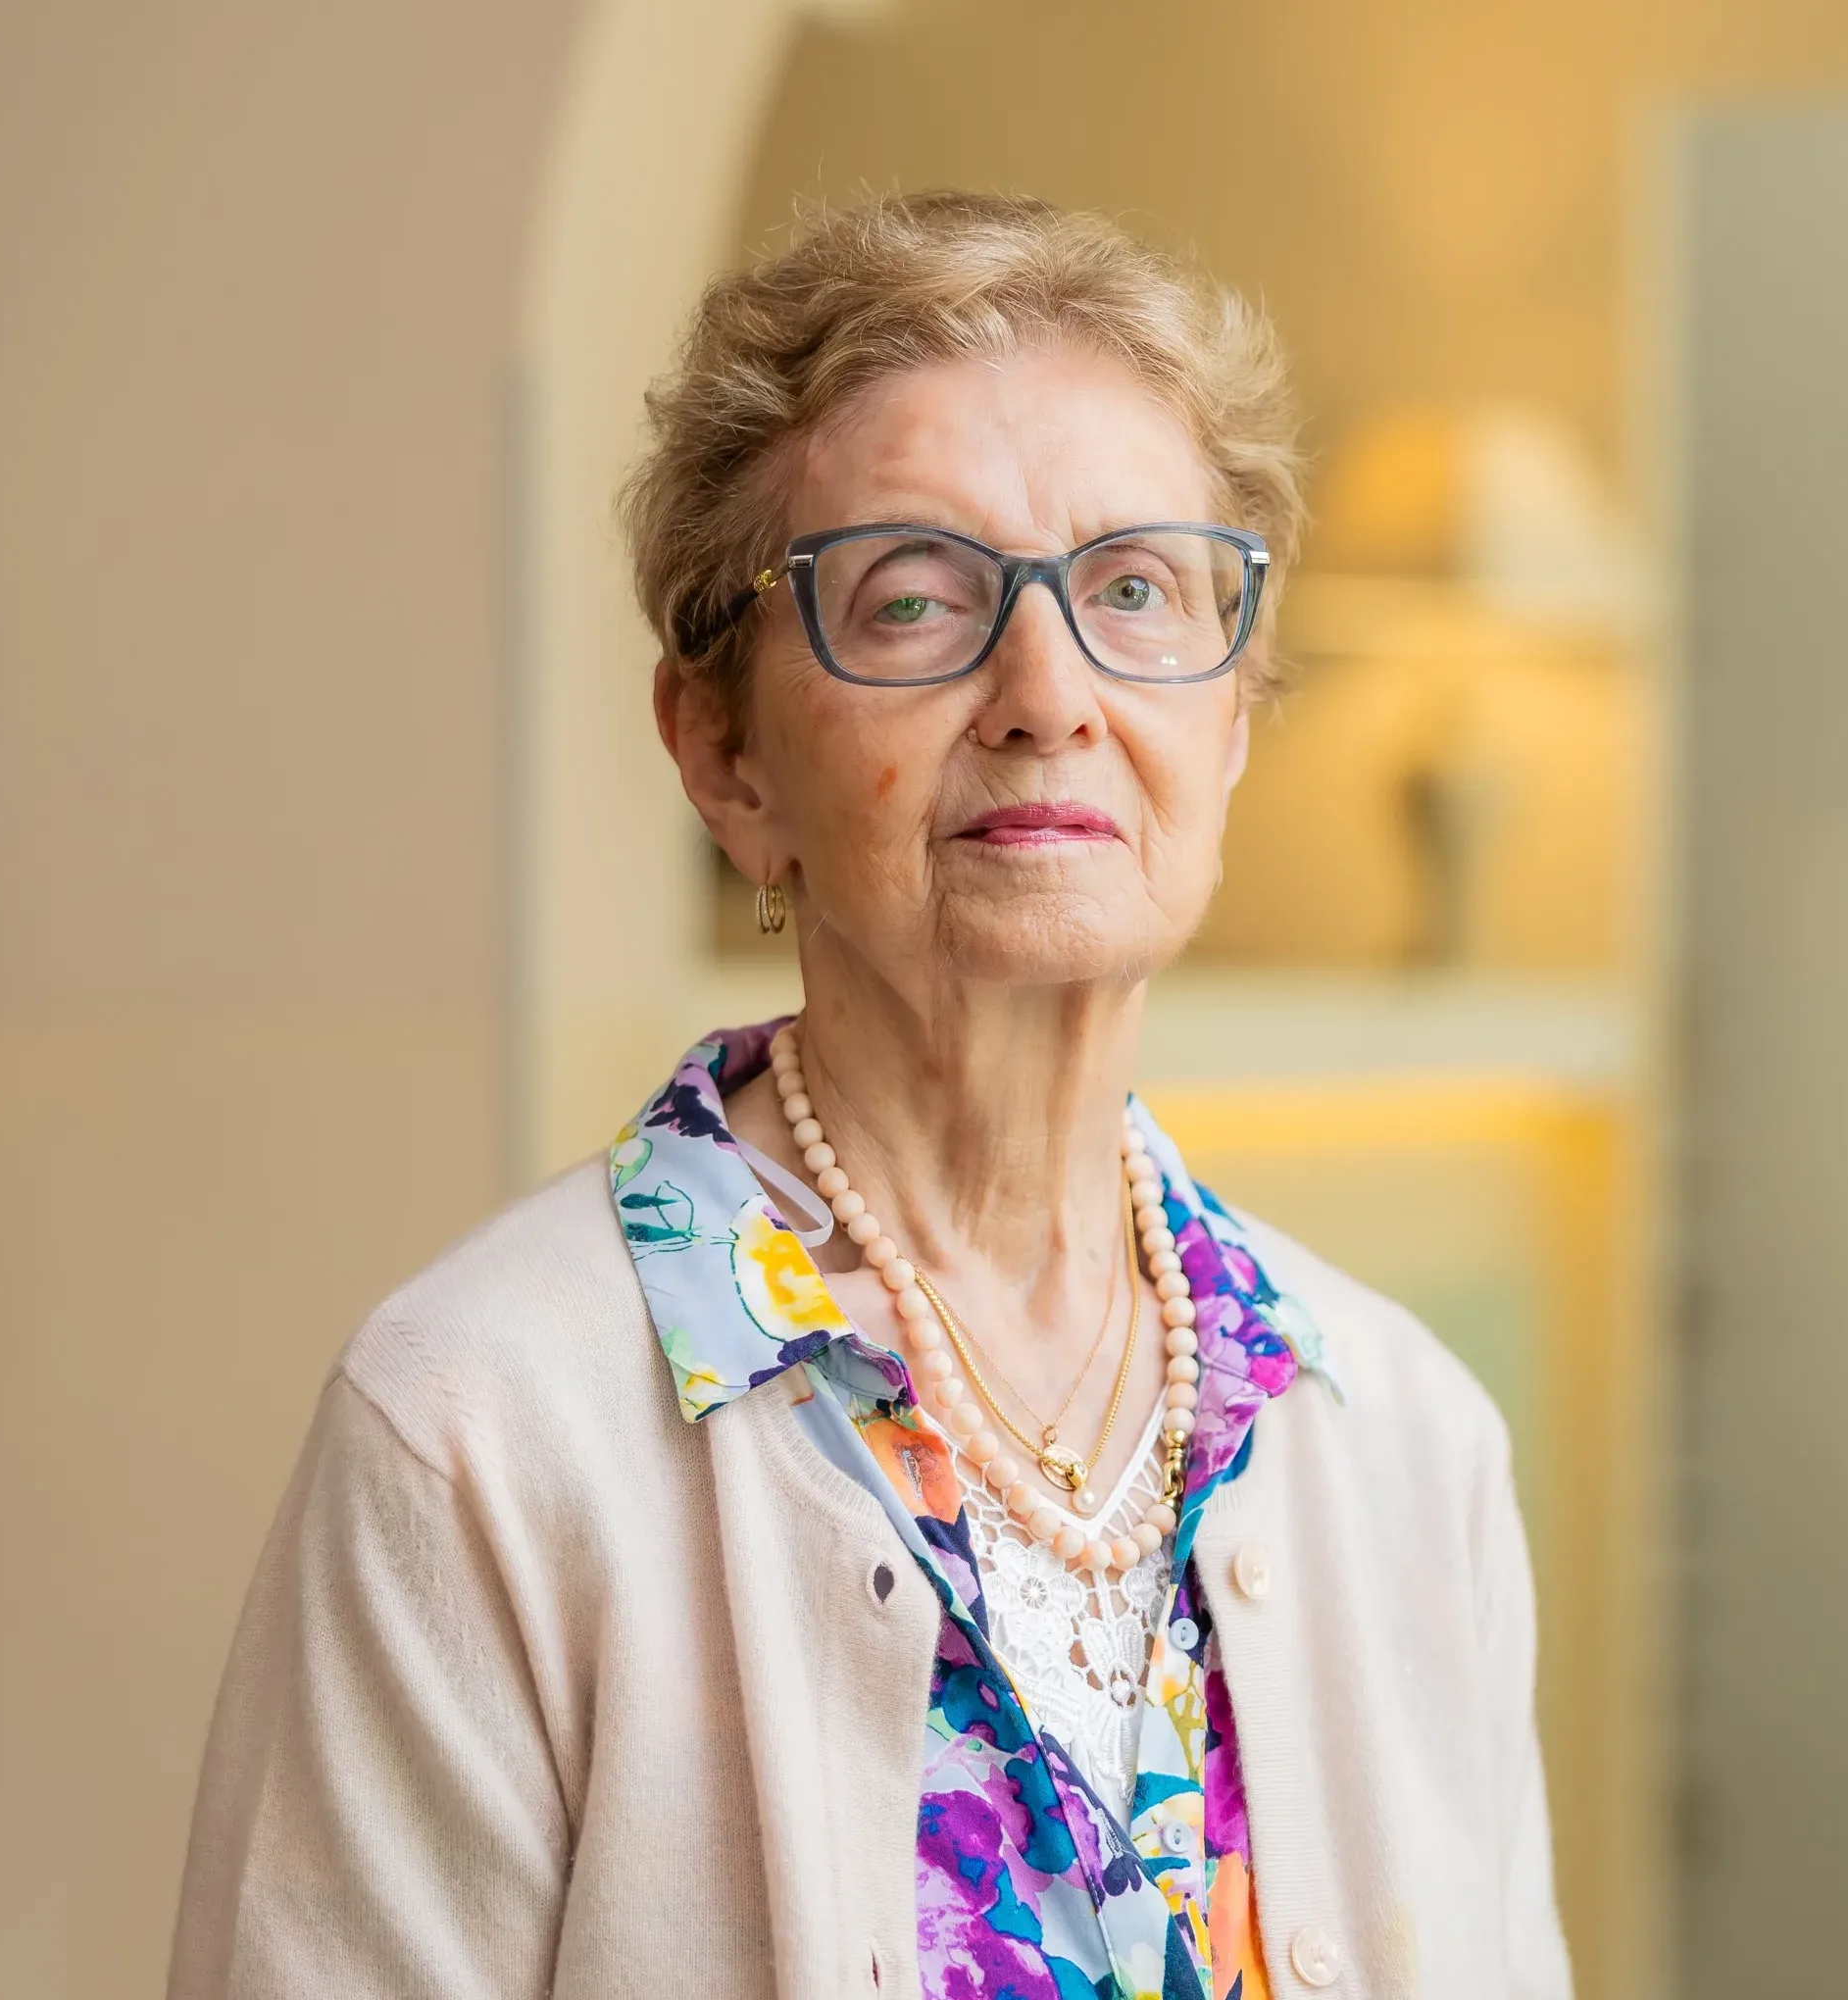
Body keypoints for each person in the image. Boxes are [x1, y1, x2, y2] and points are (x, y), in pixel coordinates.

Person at [169, 191, 1572, 2000]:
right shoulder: (477, 1437)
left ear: (1229, 720)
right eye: (918, 603)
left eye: (1139, 589)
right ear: (725, 754)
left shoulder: (1404, 1433)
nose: (1047, 696)